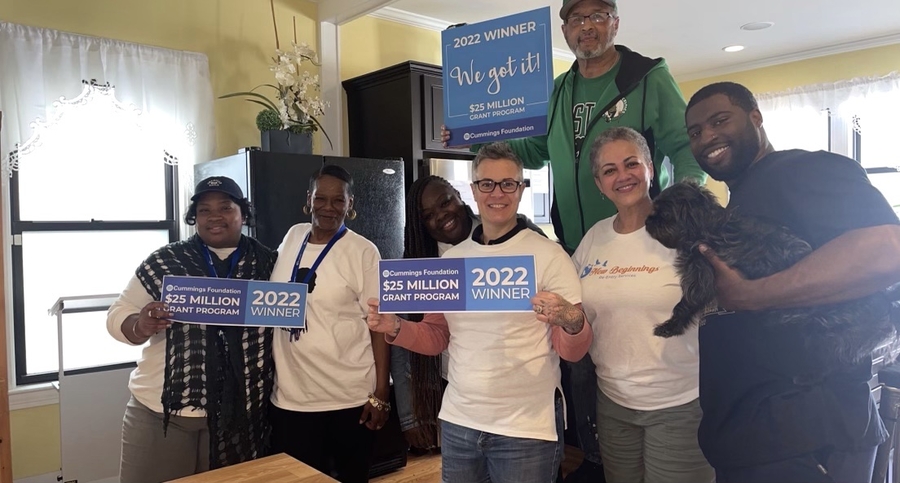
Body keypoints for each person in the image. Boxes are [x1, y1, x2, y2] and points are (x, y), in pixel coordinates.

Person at [442, 2, 706, 478]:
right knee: (585, 354)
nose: (587, 26)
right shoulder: (558, 90)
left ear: (615, 22)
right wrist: (473, 133)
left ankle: (599, 453)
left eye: (598, 15)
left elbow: (683, 145)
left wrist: (686, 205)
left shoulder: (647, 77)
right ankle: (592, 453)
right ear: (564, 29)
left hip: (648, 237)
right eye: (577, 19)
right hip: (583, 247)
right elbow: (533, 148)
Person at [684, 81, 900, 483]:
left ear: (755, 117)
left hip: (804, 437)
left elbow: (887, 249)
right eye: (695, 132)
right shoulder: (745, 197)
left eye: (719, 121)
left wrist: (751, 295)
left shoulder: (801, 170)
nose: (706, 137)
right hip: (757, 439)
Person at [368, 142, 593, 483]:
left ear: (521, 189)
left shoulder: (549, 256)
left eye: (508, 184)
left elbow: (572, 351)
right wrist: (396, 327)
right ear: (473, 190)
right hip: (460, 423)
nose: (497, 193)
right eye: (487, 184)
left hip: (526, 427)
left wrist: (572, 321)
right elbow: (437, 337)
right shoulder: (452, 260)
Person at [107, 176, 277, 483]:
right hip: (161, 414)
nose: (214, 216)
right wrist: (140, 324)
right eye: (204, 210)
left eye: (225, 207)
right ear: (194, 217)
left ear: (243, 213)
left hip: (239, 418)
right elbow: (118, 314)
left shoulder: (270, 264)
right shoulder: (166, 260)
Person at [572, 126, 713, 483]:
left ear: (650, 167)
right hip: (613, 404)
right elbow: (571, 304)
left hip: (679, 402)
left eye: (631, 163)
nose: (623, 176)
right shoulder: (594, 238)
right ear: (599, 183)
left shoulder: (686, 230)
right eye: (609, 170)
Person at [392, 175, 546, 452]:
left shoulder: (516, 232)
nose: (441, 216)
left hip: (522, 388)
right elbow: (405, 346)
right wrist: (409, 415)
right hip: (454, 389)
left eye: (445, 203)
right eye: (428, 215)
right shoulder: (417, 264)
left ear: (459, 195)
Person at [268, 165, 389, 483]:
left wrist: (381, 393)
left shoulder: (363, 251)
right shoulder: (293, 237)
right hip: (292, 398)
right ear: (308, 199)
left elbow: (378, 325)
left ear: (350, 204)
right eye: (321, 198)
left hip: (349, 398)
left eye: (339, 200)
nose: (329, 207)